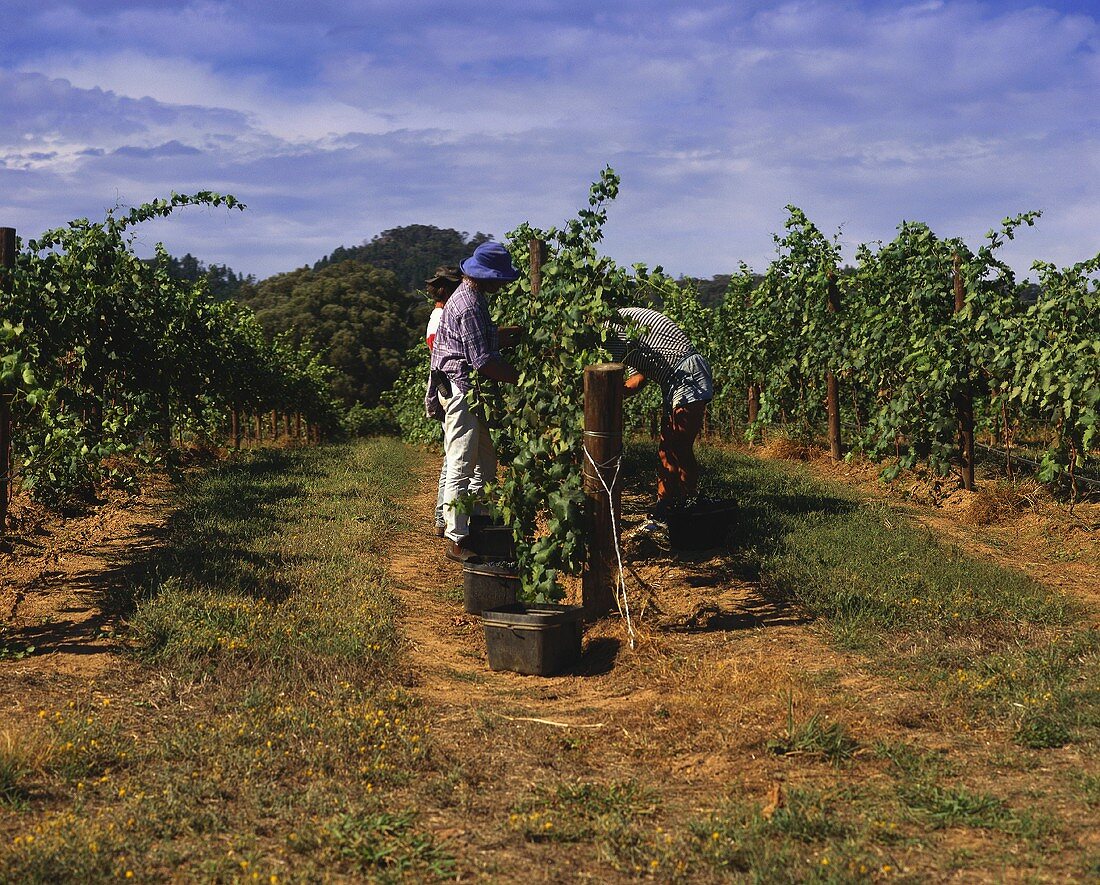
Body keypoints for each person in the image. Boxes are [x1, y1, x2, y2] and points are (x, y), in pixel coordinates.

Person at [426, 242, 521, 562]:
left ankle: (478, 520)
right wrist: (523, 379)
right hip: (461, 389)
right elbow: (483, 361)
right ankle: (457, 537)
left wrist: (513, 335)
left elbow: (484, 337)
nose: (503, 285)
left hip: (470, 391)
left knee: (485, 461)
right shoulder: (468, 304)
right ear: (488, 277)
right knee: (461, 462)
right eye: (501, 279)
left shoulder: (472, 298)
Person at [606, 307, 713, 519]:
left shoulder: (609, 329)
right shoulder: (622, 328)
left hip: (686, 374)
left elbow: (608, 376)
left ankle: (691, 505)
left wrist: (600, 396)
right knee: (666, 450)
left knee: (679, 447)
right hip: (674, 380)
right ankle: (666, 508)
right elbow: (638, 378)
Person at [424, 265, 463, 537]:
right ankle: (443, 519)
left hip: (444, 388)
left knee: (452, 454)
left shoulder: (436, 316)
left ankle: (442, 518)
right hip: (450, 387)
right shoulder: (441, 318)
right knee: (453, 457)